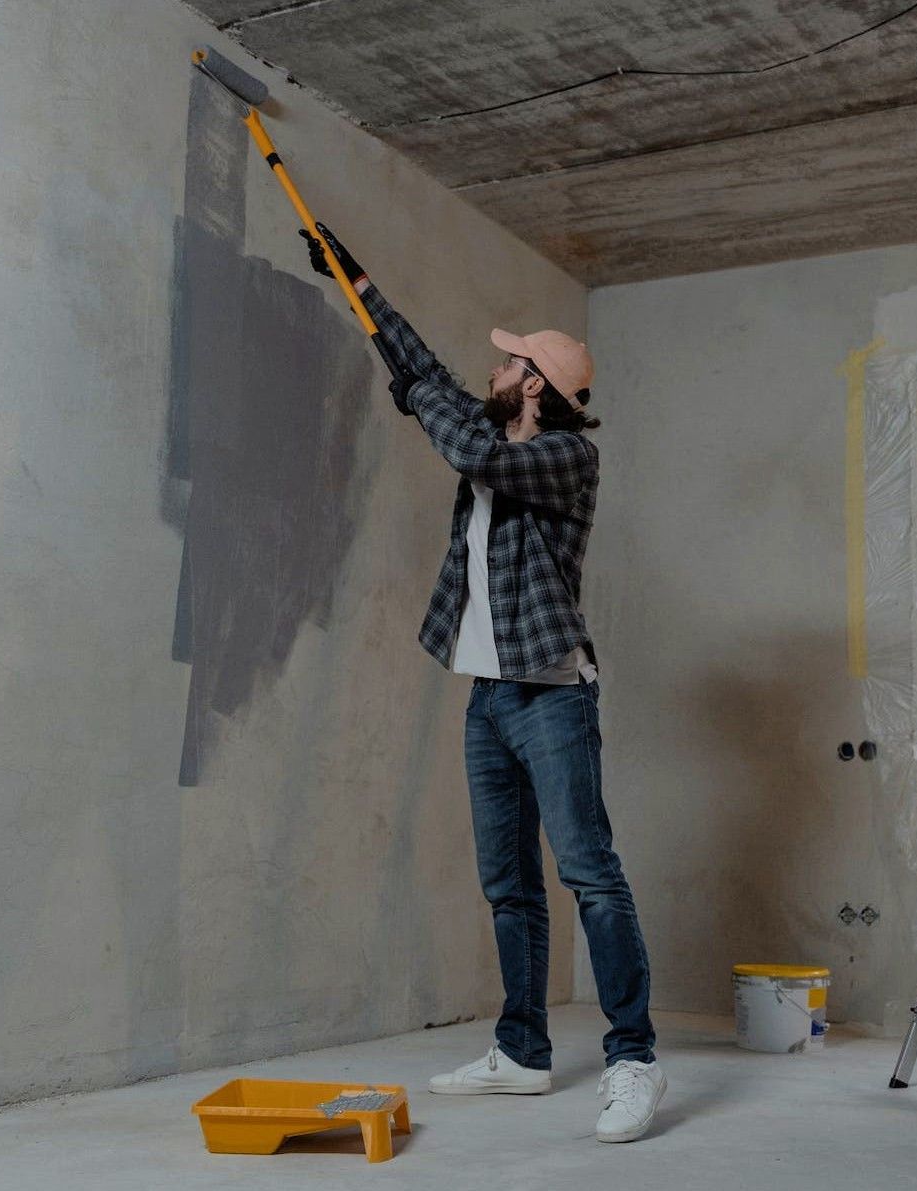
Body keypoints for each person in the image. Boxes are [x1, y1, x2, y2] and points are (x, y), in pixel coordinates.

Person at [302, 224, 665, 1143]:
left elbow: (478, 453)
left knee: (589, 871)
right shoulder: (491, 420)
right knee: (508, 882)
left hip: (552, 693)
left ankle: (633, 1060)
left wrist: (423, 396)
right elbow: (427, 374)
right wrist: (362, 278)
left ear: (534, 383)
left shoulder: (564, 458)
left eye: (509, 366)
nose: (494, 371)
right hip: (490, 696)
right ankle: (524, 1052)